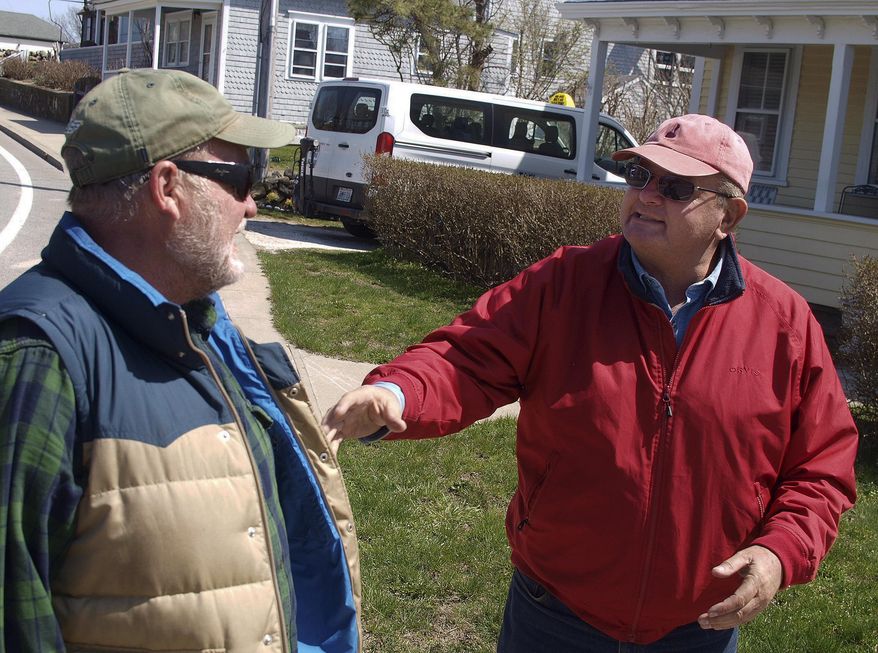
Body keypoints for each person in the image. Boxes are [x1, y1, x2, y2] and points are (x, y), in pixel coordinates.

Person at [322, 114, 859, 651]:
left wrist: (779, 552)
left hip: (697, 628)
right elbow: (466, 357)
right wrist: (397, 392)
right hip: (556, 615)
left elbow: (821, 467)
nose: (646, 195)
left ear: (728, 215)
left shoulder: (784, 324)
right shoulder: (564, 284)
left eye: (672, 187)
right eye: (639, 177)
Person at [0, 69, 362, 653]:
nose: (251, 203)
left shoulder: (195, 324)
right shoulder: (36, 358)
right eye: (244, 176)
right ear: (167, 188)